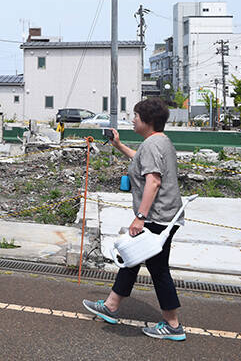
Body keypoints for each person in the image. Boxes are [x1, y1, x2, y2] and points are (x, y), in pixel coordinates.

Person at [82, 97, 187, 341]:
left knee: (158, 269)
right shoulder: (158, 141)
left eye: (136, 117)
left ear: (147, 122)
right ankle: (111, 305)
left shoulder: (151, 145)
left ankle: (172, 324)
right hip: (165, 215)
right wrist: (118, 144)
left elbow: (154, 181)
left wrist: (140, 217)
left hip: (157, 218)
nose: (132, 119)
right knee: (131, 258)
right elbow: (140, 160)